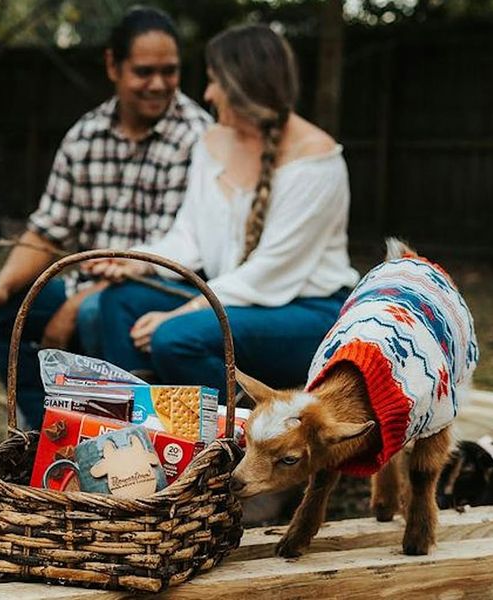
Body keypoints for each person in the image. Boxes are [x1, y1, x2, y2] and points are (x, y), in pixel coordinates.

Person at [0, 6, 213, 430]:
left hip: (163, 294)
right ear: (113, 65)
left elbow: (175, 259)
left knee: (98, 311)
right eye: (144, 71)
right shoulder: (84, 135)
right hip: (88, 287)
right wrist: (3, 285)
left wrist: (77, 304)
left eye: (170, 72)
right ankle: (50, 425)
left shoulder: (196, 137)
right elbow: (47, 228)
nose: (159, 85)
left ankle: (122, 436)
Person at [88, 24, 360, 395]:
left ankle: (232, 438)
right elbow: (189, 236)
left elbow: (269, 274)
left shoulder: (316, 160)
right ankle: (138, 429)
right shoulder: (211, 142)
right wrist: (137, 261)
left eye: (216, 81)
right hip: (230, 301)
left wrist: (186, 311)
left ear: (242, 86)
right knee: (119, 301)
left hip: (308, 313)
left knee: (175, 337)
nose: (208, 93)